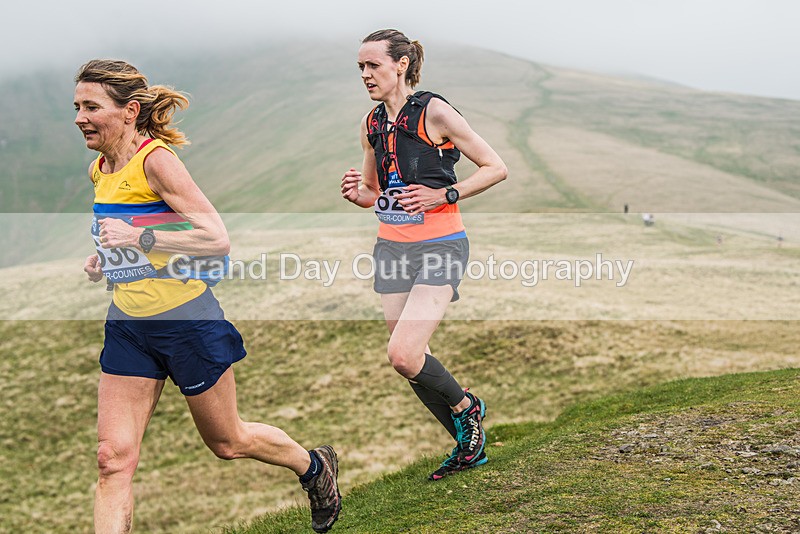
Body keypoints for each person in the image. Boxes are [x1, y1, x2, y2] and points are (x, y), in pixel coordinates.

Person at [74, 59, 340, 533]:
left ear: (130, 110)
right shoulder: (101, 167)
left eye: (92, 106)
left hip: (187, 320)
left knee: (228, 441)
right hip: (129, 326)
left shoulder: (156, 160)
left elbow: (215, 237)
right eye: (77, 106)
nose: (80, 117)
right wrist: (107, 261)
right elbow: (127, 233)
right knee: (111, 459)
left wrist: (138, 239)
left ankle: (314, 468)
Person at [340, 30, 508, 481]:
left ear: (400, 65)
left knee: (402, 353)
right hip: (391, 246)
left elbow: (496, 167)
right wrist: (358, 194)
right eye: (360, 67)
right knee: (411, 361)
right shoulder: (371, 124)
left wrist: (445, 193)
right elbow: (376, 192)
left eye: (372, 65)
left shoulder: (435, 111)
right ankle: (465, 444)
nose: (365, 75)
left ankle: (467, 410)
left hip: (440, 244)